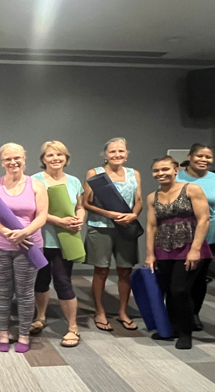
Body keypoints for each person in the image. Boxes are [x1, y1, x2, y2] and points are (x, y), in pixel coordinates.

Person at [0, 143, 48, 353]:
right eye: (8, 159)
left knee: (25, 293)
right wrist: (6, 233)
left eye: (17, 158)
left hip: (28, 246)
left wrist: (24, 233)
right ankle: (3, 332)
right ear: (2, 163)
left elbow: (42, 215)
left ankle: (24, 334)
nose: (13, 162)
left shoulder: (36, 185)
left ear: (24, 159)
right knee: (1, 292)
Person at [145, 156, 210, 350]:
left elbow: (204, 219)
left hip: (189, 246)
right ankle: (172, 327)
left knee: (180, 290)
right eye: (156, 171)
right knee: (168, 290)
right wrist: (150, 254)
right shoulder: (152, 196)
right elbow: (151, 226)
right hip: (164, 248)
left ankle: (185, 332)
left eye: (165, 169)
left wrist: (195, 249)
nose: (160, 174)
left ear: (175, 170)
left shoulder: (191, 189)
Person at [82, 137, 143, 331]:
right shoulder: (95, 173)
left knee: (125, 271)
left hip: (126, 228)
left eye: (121, 151)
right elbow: (86, 203)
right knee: (101, 270)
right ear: (105, 155)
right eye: (112, 152)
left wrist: (134, 215)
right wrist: (108, 214)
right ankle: (99, 311)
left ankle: (123, 311)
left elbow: (139, 200)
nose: (117, 155)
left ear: (126, 154)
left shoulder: (134, 174)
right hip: (100, 227)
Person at [29, 141, 84, 347]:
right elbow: (33, 210)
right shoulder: (34, 180)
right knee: (40, 282)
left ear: (66, 158)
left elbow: (80, 206)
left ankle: (72, 328)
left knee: (63, 281)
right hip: (40, 240)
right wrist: (58, 220)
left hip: (65, 241)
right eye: (50, 155)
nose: (55, 159)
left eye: (60, 155)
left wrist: (80, 218)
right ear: (43, 159)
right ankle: (40, 317)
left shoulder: (74, 181)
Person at [176, 143, 215, 331]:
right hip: (179, 236)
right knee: (179, 280)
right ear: (190, 157)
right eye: (199, 156)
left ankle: (193, 313)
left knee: (199, 278)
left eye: (208, 157)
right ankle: (175, 314)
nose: (204, 160)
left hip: (209, 235)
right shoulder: (176, 177)